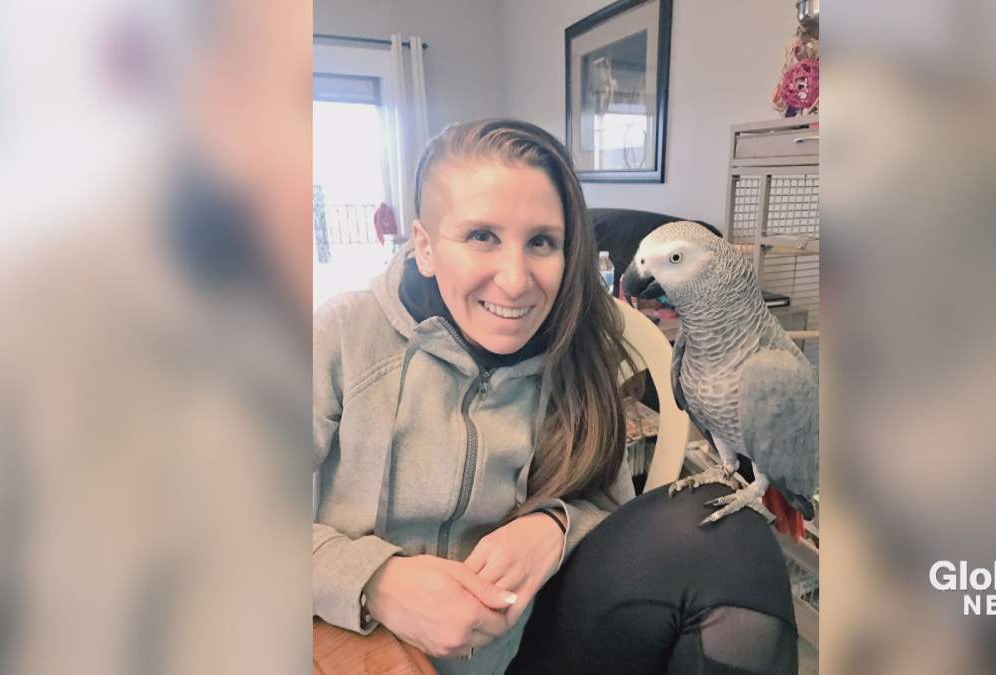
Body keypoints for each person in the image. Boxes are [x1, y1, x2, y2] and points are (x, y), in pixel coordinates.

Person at [313, 119, 799, 674]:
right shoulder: (344, 336)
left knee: (731, 537)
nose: (517, 281)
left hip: (524, 650)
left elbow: (614, 510)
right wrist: (375, 581)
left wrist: (555, 527)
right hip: (355, 646)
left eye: (542, 241)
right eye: (481, 236)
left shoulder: (581, 348)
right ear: (424, 246)